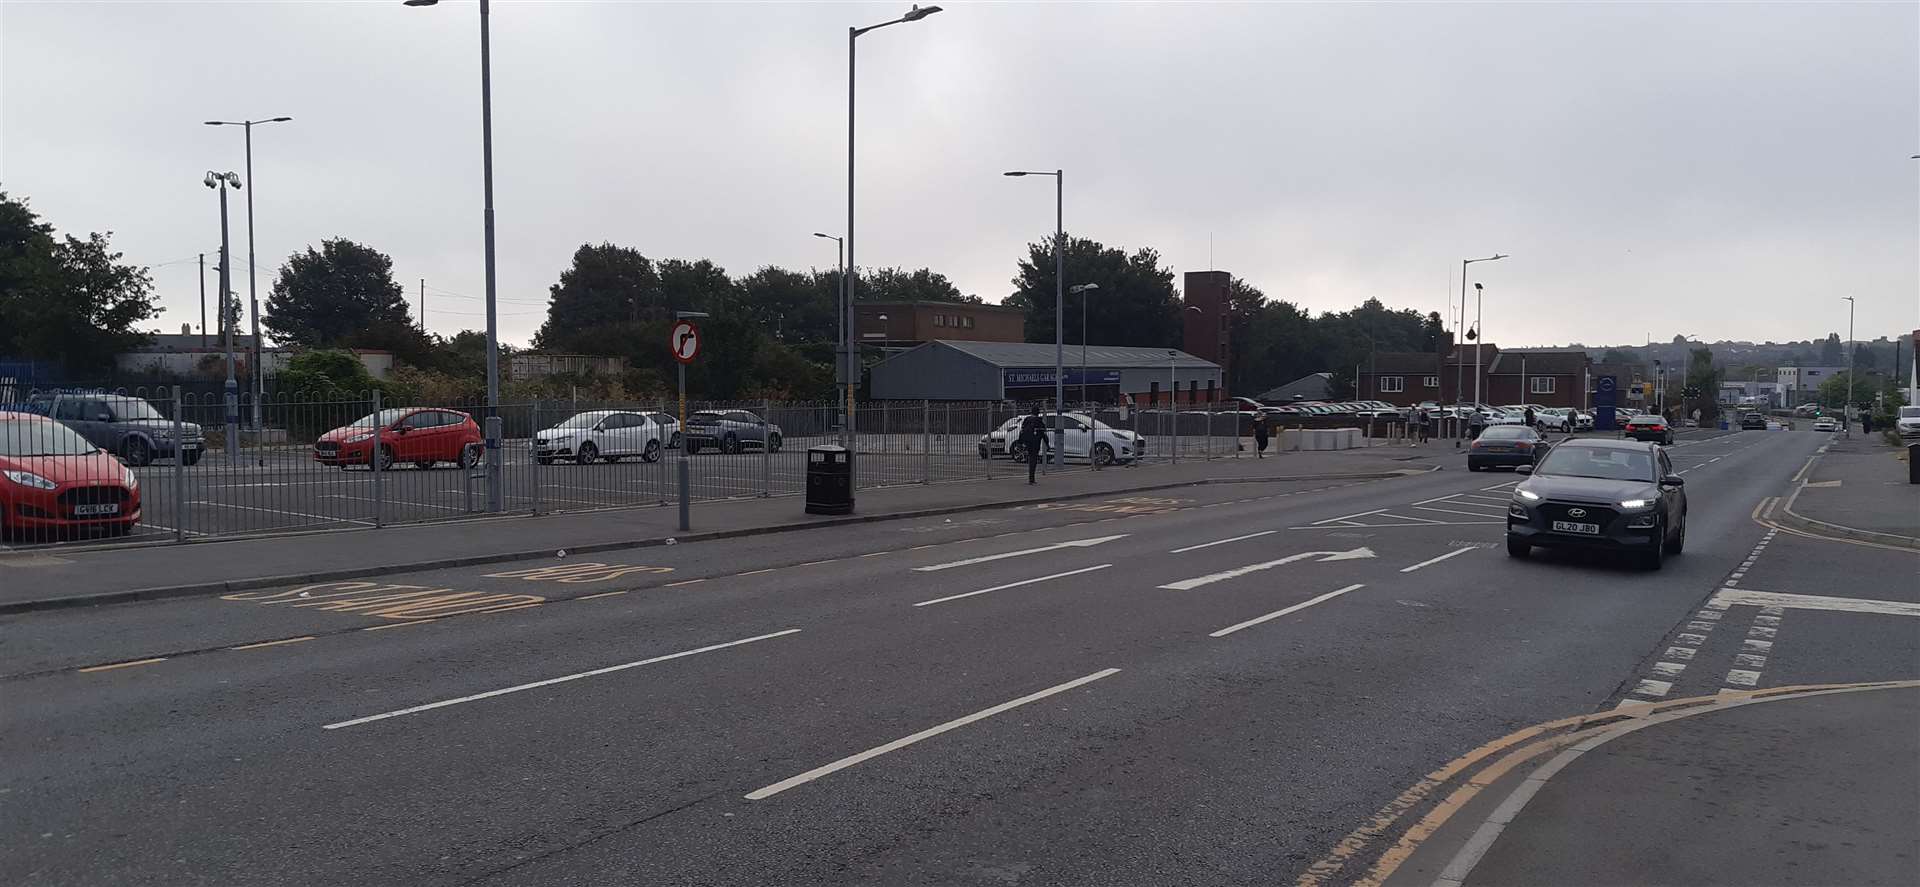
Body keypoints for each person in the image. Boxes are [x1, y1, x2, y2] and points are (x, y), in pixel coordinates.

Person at [1018, 405, 1047, 484]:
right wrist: (1047, 444)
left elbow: (1022, 431)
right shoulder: (1038, 420)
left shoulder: (1027, 419)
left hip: (1028, 442)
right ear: (1038, 413)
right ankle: (1032, 479)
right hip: (1035, 442)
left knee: (1031, 458)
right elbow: (1043, 433)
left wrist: (1020, 442)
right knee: (1033, 459)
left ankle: (1031, 478)